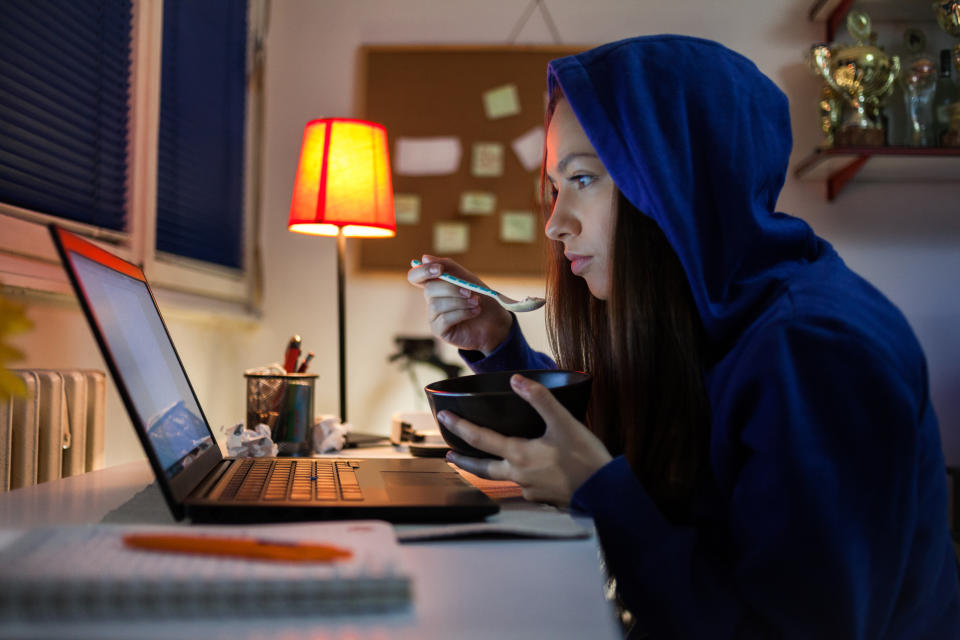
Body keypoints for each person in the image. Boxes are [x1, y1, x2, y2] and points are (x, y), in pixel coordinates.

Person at [407, 35, 959, 638]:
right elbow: (615, 438)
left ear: (677, 178)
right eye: (555, 187)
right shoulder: (718, 312)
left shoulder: (815, 350)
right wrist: (499, 341)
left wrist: (600, 493)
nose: (556, 223)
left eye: (584, 179)